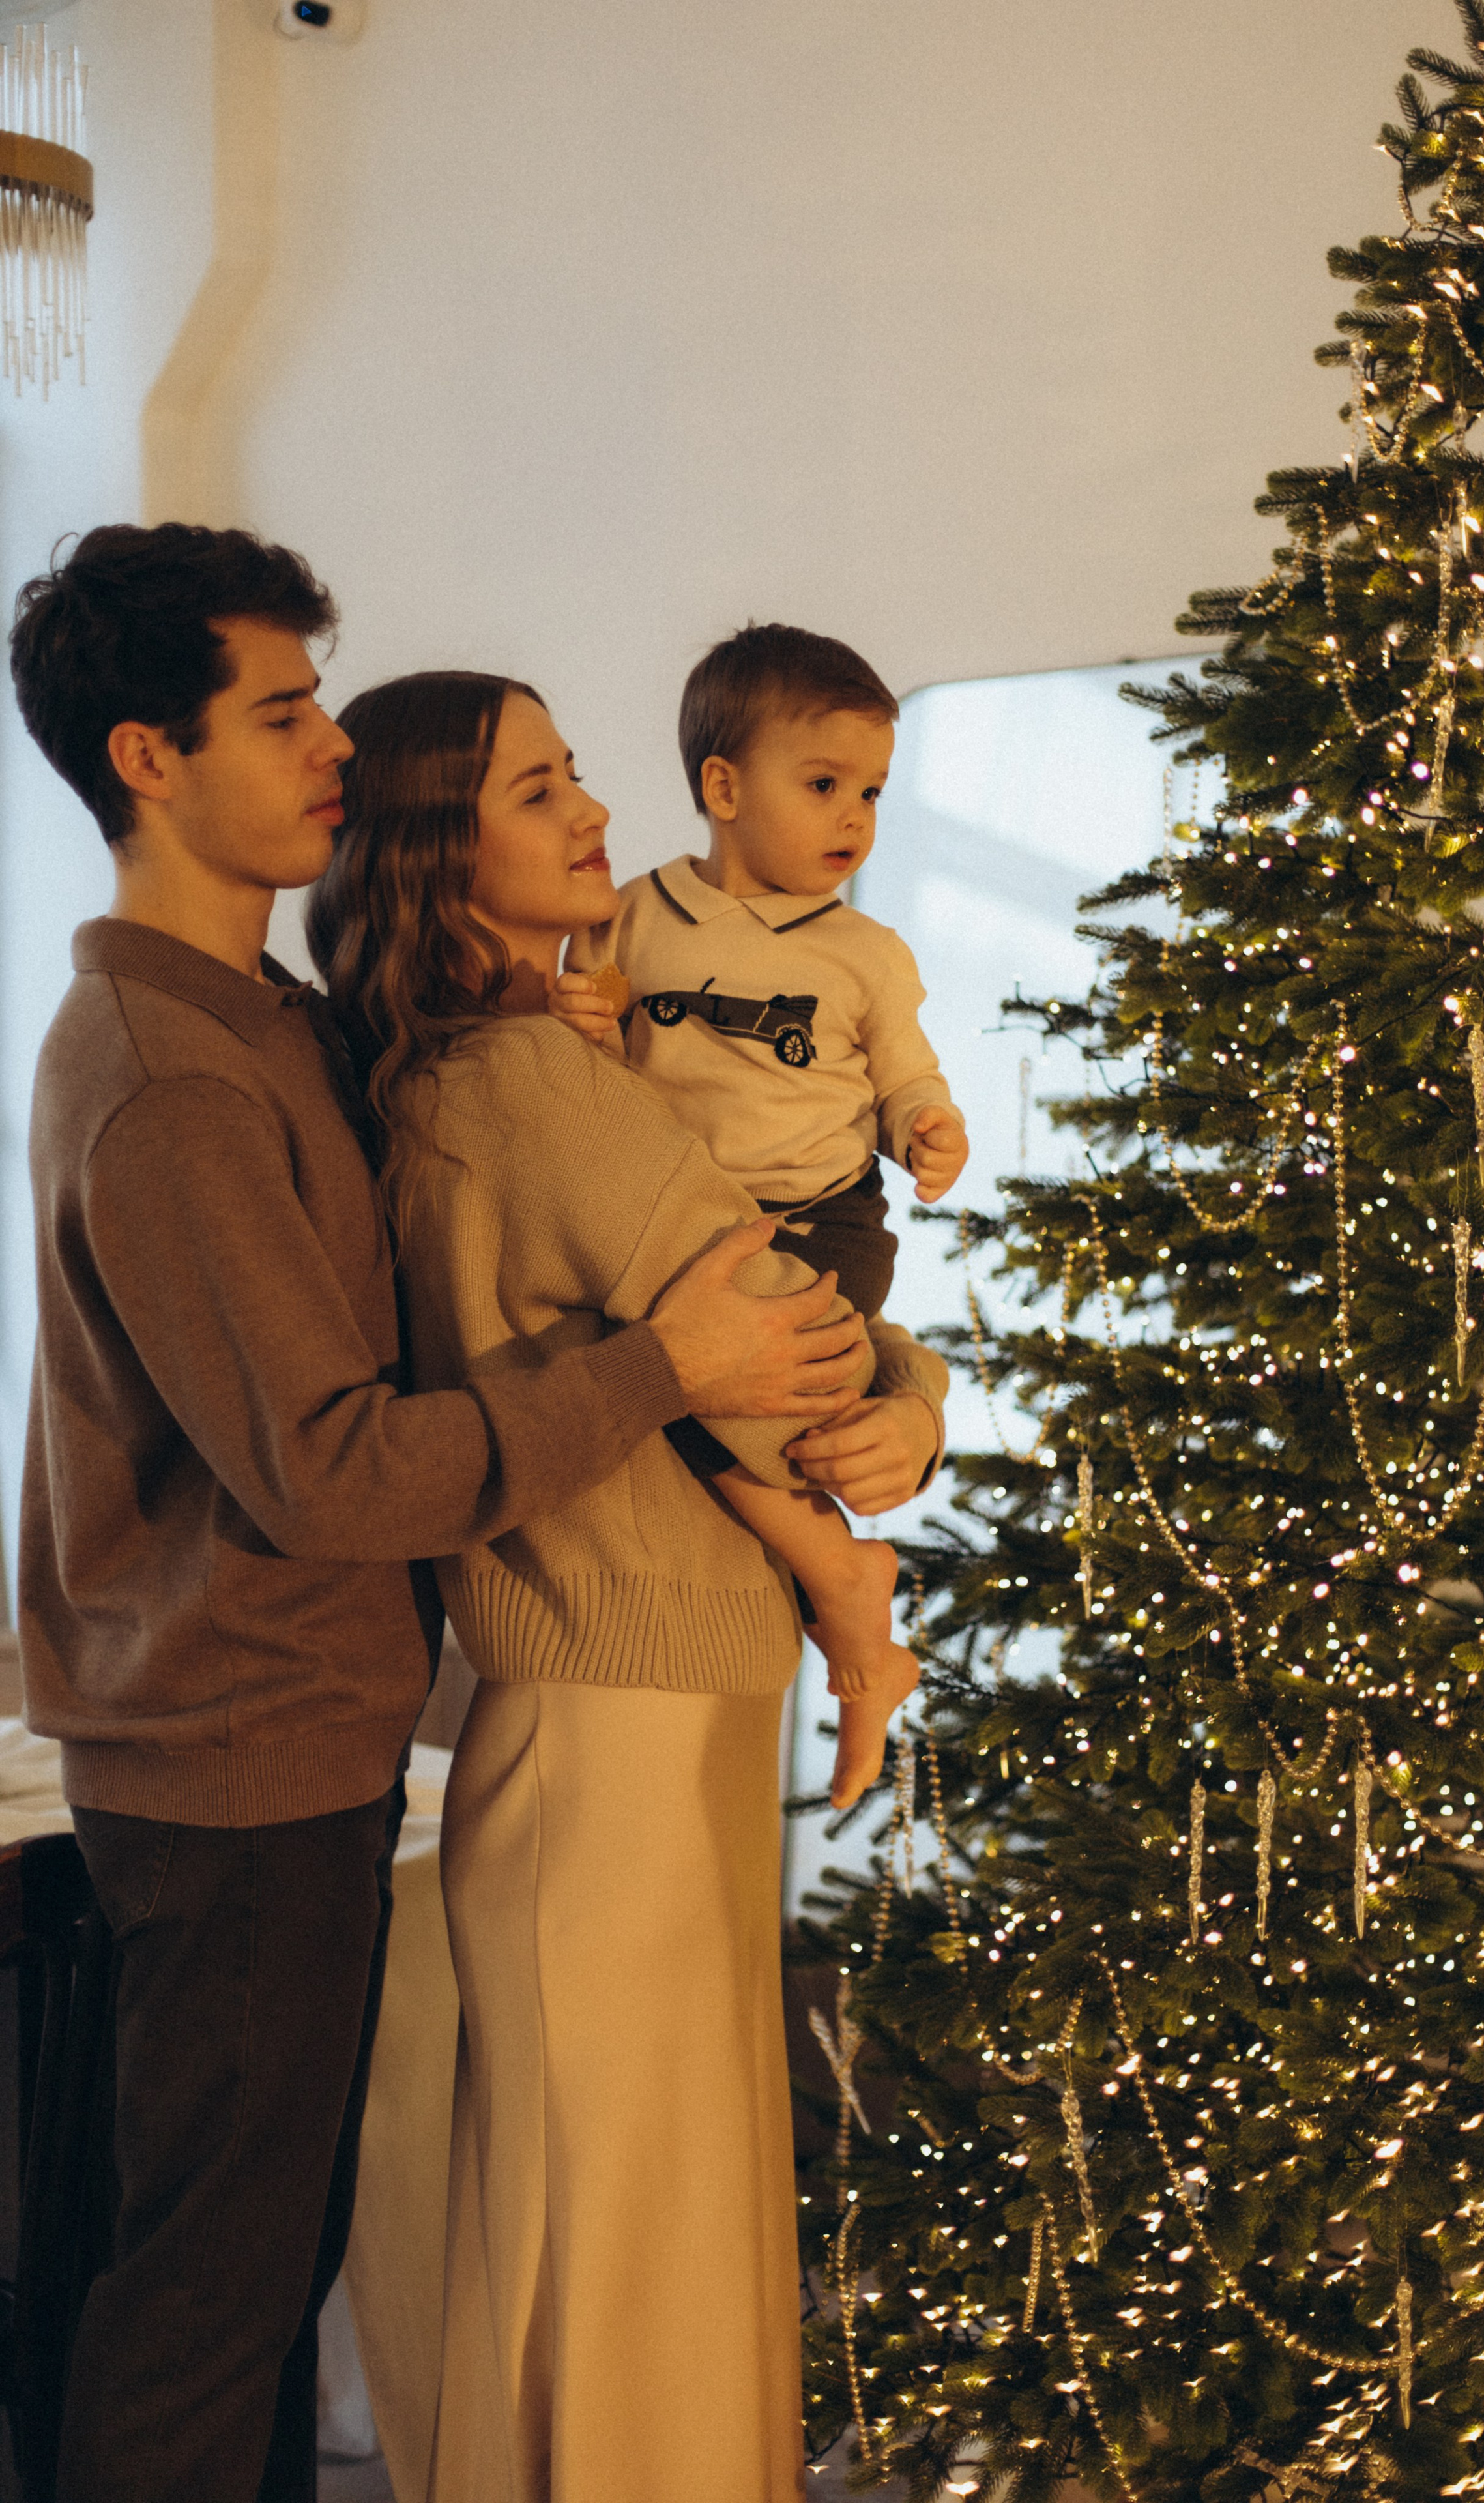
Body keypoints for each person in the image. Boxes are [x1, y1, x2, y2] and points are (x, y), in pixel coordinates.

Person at [8, 527, 873, 2503]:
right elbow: (330, 1469)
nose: (330, 749)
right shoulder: (167, 1079)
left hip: (298, 1745)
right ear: (150, 759)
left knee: (265, 2271)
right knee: (207, 2306)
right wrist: (677, 1371)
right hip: (224, 1763)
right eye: (283, 712)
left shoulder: (276, 1032)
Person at [304, 667, 948, 2503]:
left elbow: (747, 1347)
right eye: (537, 788)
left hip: (619, 1715)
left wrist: (872, 1440)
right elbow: (777, 1341)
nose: (592, 808)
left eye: (577, 772)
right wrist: (920, 1400)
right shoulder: (522, 1081)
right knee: (642, 2240)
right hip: (620, 1726)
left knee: (621, 2224)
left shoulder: (497, 1074)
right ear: (443, 849)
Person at [559, 622, 968, 1804]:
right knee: (683, 1380)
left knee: (741, 1390)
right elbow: (594, 1022)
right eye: (826, 784)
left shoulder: (865, 954)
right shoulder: (638, 913)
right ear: (723, 789)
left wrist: (927, 1126)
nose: (856, 819)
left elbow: (905, 1073)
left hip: (825, 1215)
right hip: (687, 1221)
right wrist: (585, 1020)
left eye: (874, 792)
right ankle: (847, 1595)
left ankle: (847, 1593)